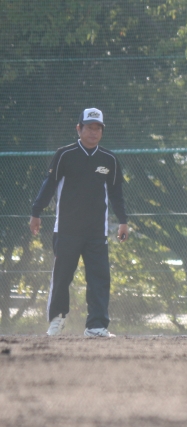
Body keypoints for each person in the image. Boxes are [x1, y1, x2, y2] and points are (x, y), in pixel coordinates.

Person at [30, 108, 129, 337]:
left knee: (99, 278)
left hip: (97, 232)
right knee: (62, 276)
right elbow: (49, 184)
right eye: (89, 127)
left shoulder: (110, 159)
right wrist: (36, 212)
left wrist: (123, 221)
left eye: (98, 128)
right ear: (79, 128)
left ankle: (96, 326)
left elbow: (116, 194)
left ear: (102, 131)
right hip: (66, 229)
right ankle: (57, 319)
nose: (93, 132)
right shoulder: (65, 154)